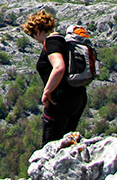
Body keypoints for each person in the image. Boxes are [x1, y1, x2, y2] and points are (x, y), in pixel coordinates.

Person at [21, 10, 88, 145]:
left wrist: (46, 92)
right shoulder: (63, 41)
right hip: (78, 97)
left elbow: (59, 67)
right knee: (66, 143)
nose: (34, 39)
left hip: (61, 101)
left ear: (37, 31)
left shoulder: (51, 42)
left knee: (50, 146)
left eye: (32, 35)